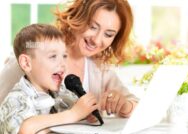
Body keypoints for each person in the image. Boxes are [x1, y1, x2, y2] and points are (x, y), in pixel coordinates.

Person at [0, 0, 138, 124]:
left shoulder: (100, 68)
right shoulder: (32, 59)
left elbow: (139, 107)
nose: (96, 40)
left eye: (108, 34)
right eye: (93, 27)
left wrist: (125, 106)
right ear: (77, 17)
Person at [0, 24, 99, 134]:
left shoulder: (60, 93)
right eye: (53, 56)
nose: (63, 64)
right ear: (26, 63)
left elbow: (75, 110)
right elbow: (25, 129)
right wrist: (73, 114)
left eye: (64, 56)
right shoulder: (16, 98)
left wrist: (86, 114)